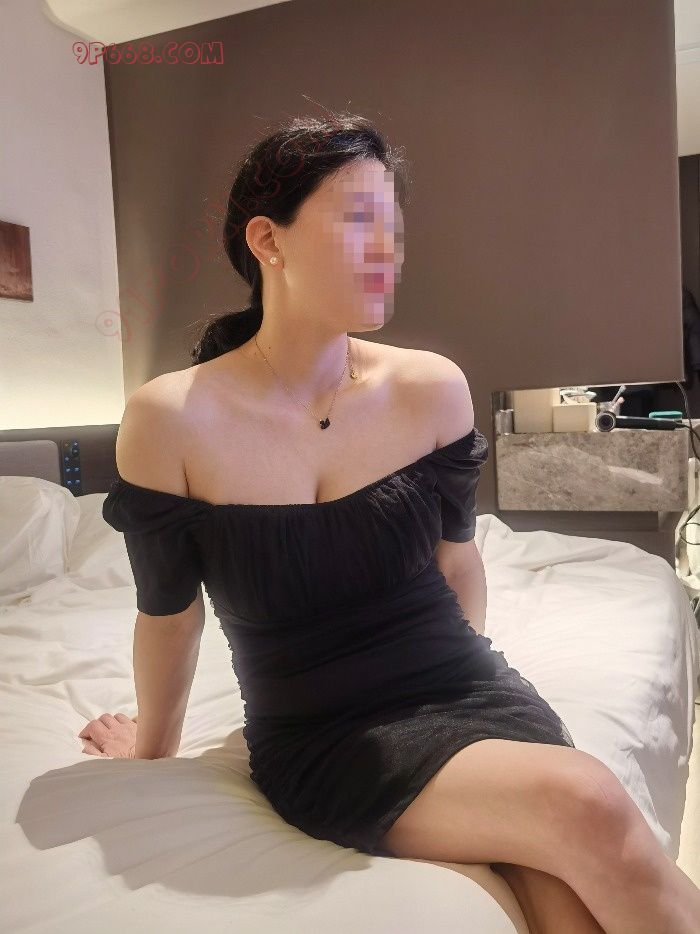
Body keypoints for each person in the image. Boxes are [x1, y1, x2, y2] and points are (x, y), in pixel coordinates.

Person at [83, 113, 700, 932]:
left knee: (564, 897)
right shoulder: (169, 420)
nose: (389, 252)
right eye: (359, 222)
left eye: (396, 232)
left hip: (468, 688)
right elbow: (169, 616)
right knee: (586, 801)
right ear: (268, 240)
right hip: (324, 736)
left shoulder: (430, 387)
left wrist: (474, 711)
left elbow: (458, 563)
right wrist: (151, 754)